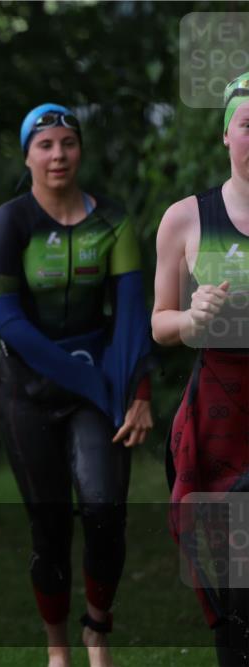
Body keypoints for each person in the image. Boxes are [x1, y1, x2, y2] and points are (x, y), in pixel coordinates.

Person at [0, 103, 155, 667]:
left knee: (105, 512)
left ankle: (97, 631)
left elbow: (131, 317)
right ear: (28, 154)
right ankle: (57, 649)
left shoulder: (115, 221)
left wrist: (136, 390)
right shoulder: (10, 221)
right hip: (27, 391)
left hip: (100, 387)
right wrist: (96, 382)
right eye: (45, 145)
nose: (58, 155)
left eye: (68, 143)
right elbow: (6, 321)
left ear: (80, 150)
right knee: (49, 527)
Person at [152, 72, 249, 667]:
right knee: (233, 583)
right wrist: (191, 318)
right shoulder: (186, 218)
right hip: (220, 420)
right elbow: (158, 323)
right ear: (225, 134)